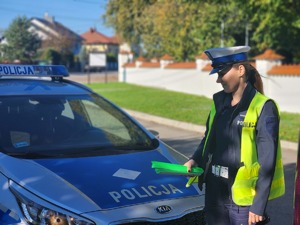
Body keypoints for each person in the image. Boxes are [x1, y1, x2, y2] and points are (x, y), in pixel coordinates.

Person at [184, 46, 285, 225]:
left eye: (221, 73)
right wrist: (195, 159)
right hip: (215, 194)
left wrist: (258, 205)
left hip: (242, 203)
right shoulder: (219, 102)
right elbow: (209, 139)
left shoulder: (263, 107)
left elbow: (267, 161)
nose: (218, 80)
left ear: (240, 70)